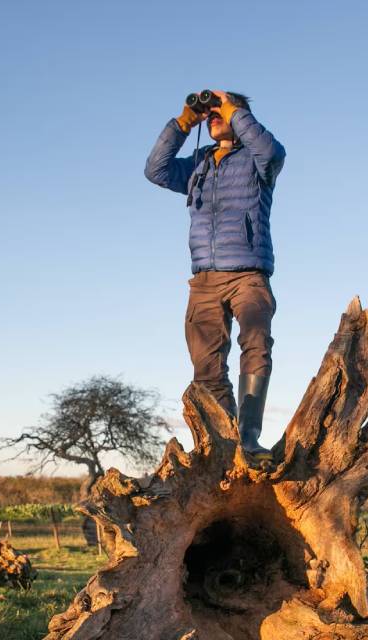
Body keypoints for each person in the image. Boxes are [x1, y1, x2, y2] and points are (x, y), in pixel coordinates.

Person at [144, 89, 286, 460]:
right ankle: (223, 447)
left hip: (247, 274)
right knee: (206, 366)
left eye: (220, 112)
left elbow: (272, 152)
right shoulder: (198, 164)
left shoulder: (257, 160)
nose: (213, 117)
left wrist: (232, 109)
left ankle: (249, 439)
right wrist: (183, 122)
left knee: (255, 345)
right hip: (204, 280)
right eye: (210, 115)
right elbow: (155, 170)